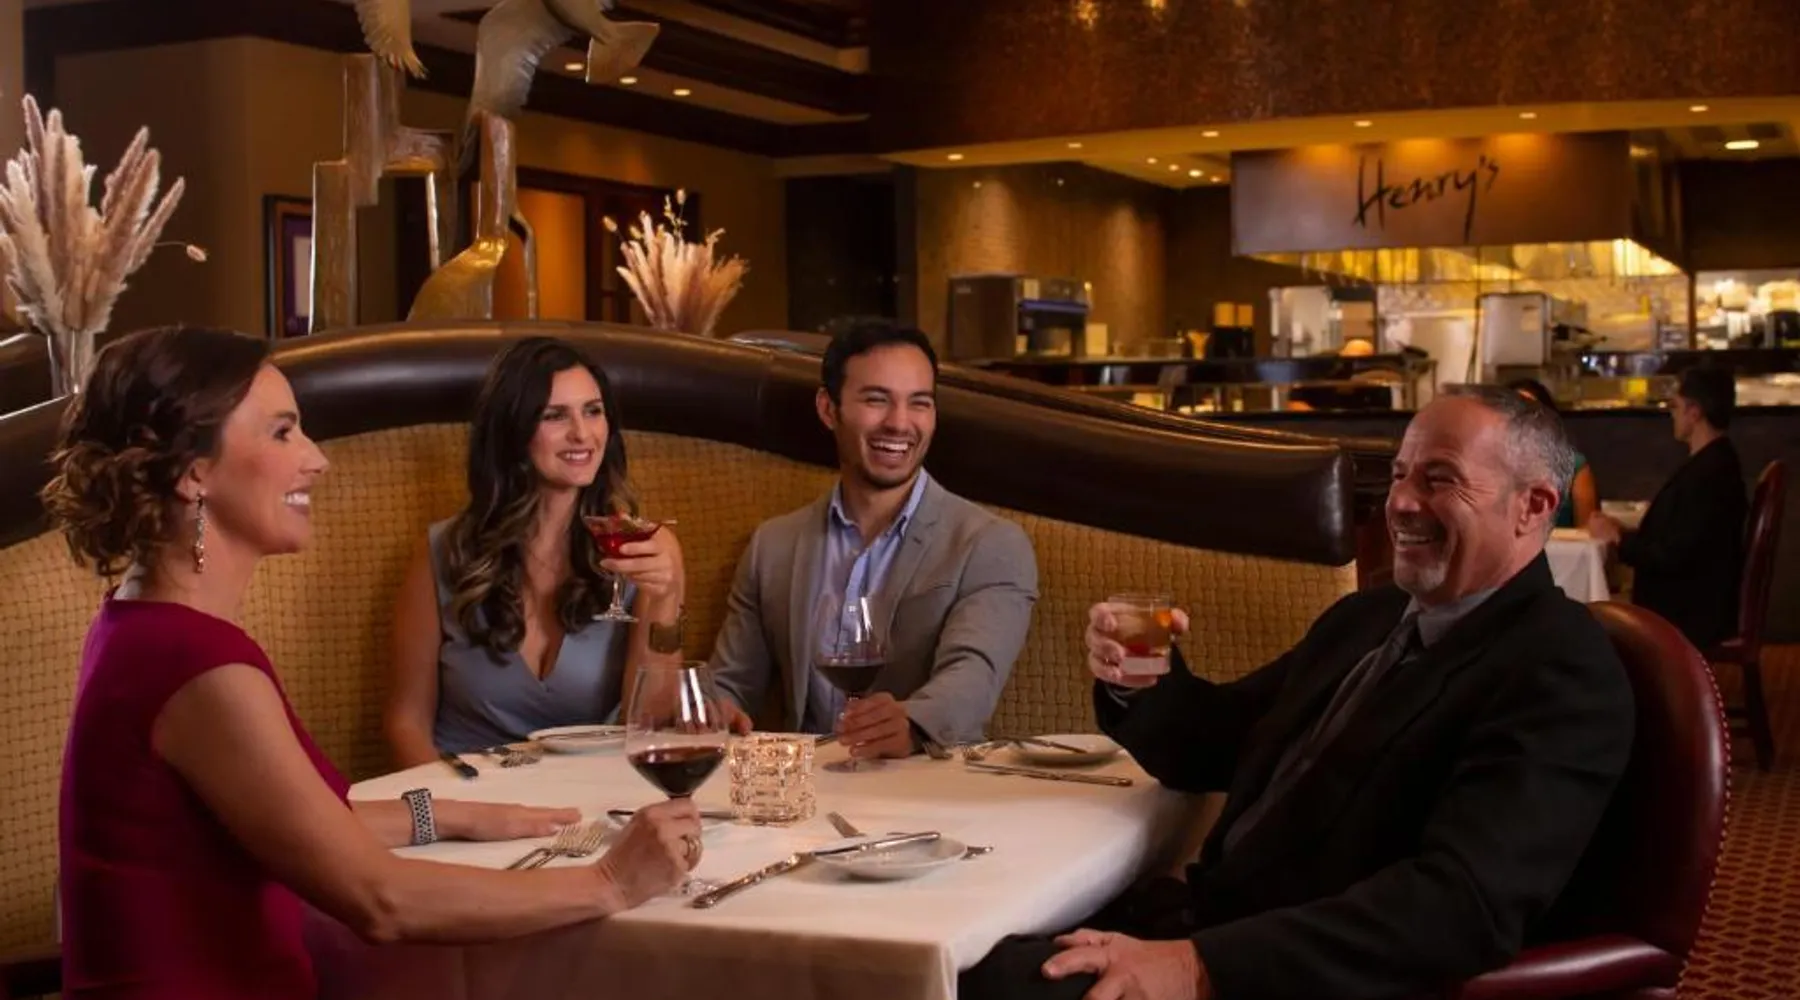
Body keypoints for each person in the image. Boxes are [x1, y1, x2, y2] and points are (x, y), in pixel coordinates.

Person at [45, 326, 703, 1000]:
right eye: (283, 433)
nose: (317, 459)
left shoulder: (138, 625)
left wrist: (454, 813)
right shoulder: (198, 667)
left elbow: (311, 824)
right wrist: (612, 881)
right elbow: (381, 901)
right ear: (194, 473)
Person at [960, 386, 1635, 1000]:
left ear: (1533, 506)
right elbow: (1213, 746)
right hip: (1201, 924)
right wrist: (1143, 680)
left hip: (1291, 976)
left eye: (1439, 480)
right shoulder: (1367, 618)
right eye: (1400, 475)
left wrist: (1198, 967)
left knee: (986, 986)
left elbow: (1460, 906)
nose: (1401, 502)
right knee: (968, 947)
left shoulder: (1560, 668)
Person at [708, 321, 1038, 758]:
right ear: (829, 409)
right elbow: (731, 685)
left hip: (921, 782)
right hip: (800, 786)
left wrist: (914, 723)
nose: (899, 423)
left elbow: (973, 677)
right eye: (876, 400)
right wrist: (715, 709)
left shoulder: (990, 544)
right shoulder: (772, 546)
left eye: (919, 403)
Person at [386, 337, 697, 764]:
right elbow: (405, 724)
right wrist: (448, 799)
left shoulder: (644, 550)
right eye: (555, 415)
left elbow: (651, 725)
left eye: (593, 411)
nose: (582, 433)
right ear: (512, 431)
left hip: (587, 795)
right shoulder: (442, 552)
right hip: (464, 790)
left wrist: (665, 599)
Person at [1587, 366, 1749, 651]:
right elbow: (1679, 538)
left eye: (1675, 406)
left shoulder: (1709, 474)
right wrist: (1622, 531)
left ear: (1694, 412)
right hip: (1695, 601)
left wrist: (1619, 539)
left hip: (1688, 612)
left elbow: (1671, 556)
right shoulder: (1715, 462)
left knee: (1587, 614)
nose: (1672, 414)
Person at [1507, 377, 1597, 528]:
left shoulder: (1574, 467)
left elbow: (1587, 535)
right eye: (1515, 411)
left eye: (1531, 412)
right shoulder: (1489, 464)